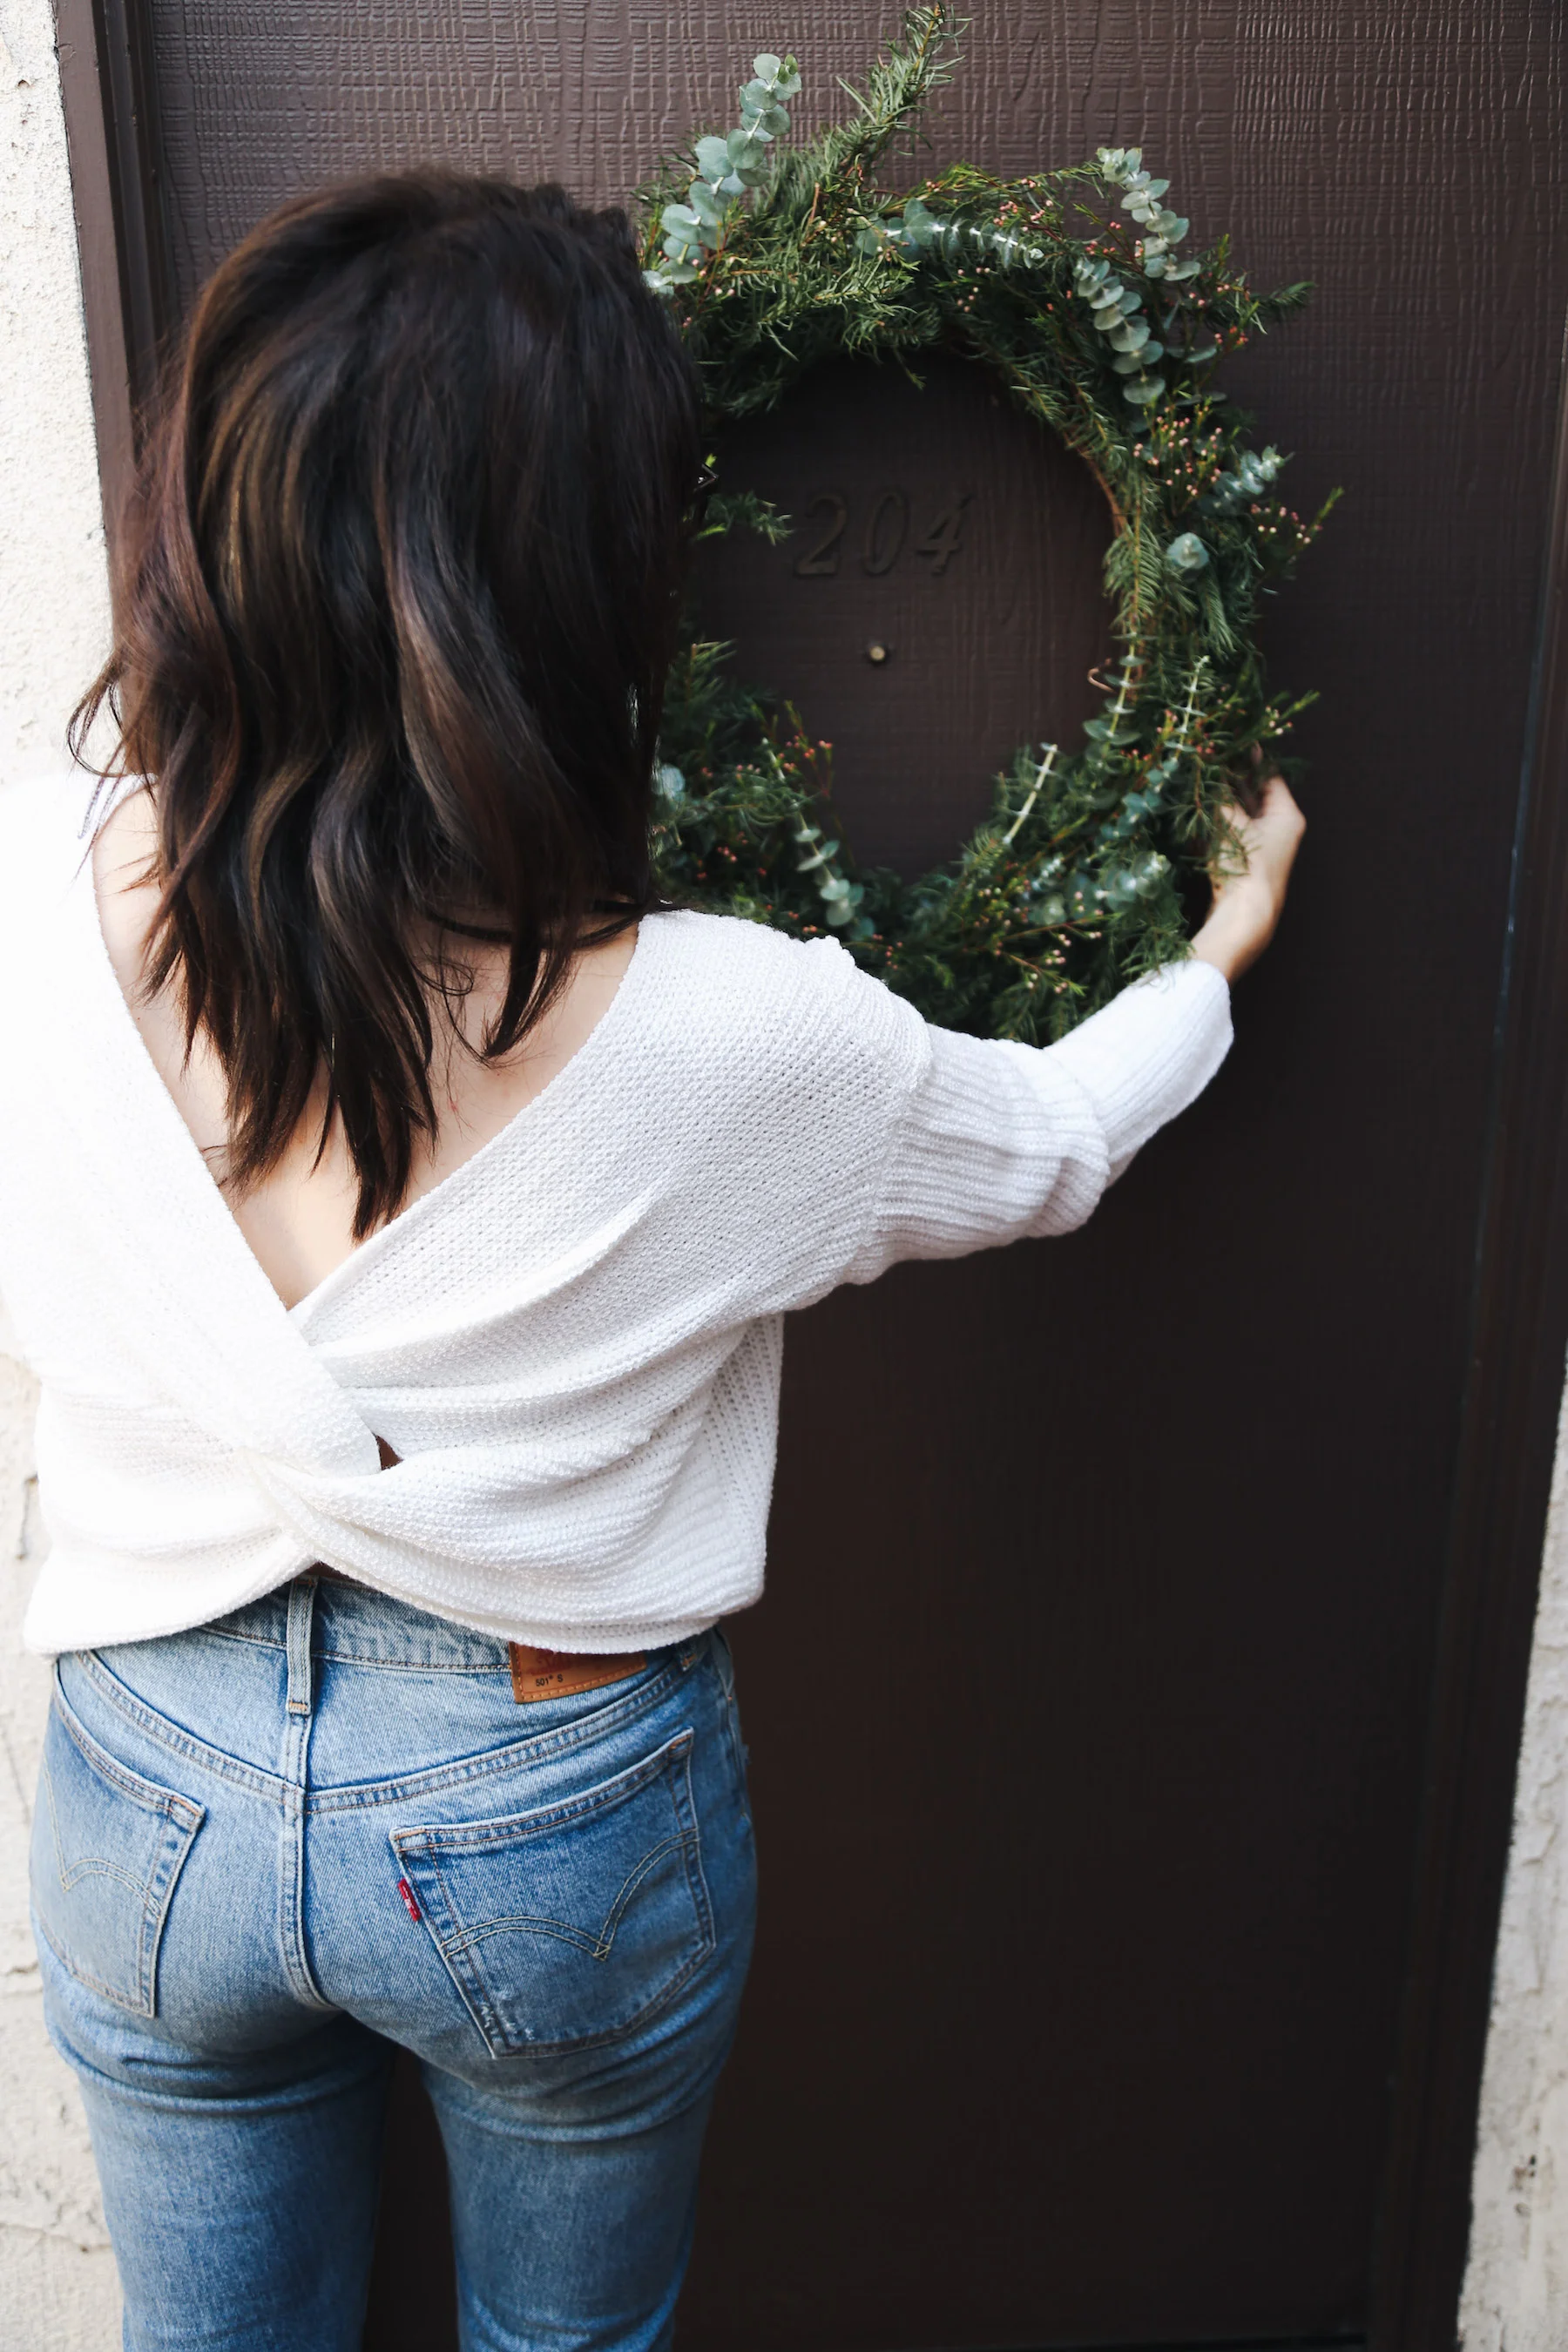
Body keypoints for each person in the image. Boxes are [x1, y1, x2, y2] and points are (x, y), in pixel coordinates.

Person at [0, 172, 1304, 2351]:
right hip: (543, 1792)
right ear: (583, 577)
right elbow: (1054, 1140)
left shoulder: (31, 892)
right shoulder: (733, 1036)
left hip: (149, 1776)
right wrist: (1214, 955)